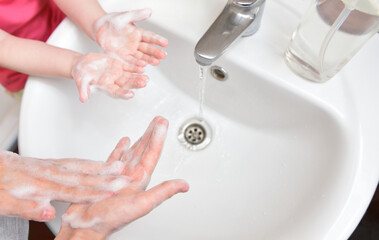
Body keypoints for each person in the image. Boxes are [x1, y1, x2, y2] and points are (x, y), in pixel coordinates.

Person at [0, 0, 184, 239]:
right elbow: (4, 45)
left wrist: (97, 22)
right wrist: (74, 64)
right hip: (26, 71)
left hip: (70, 23)